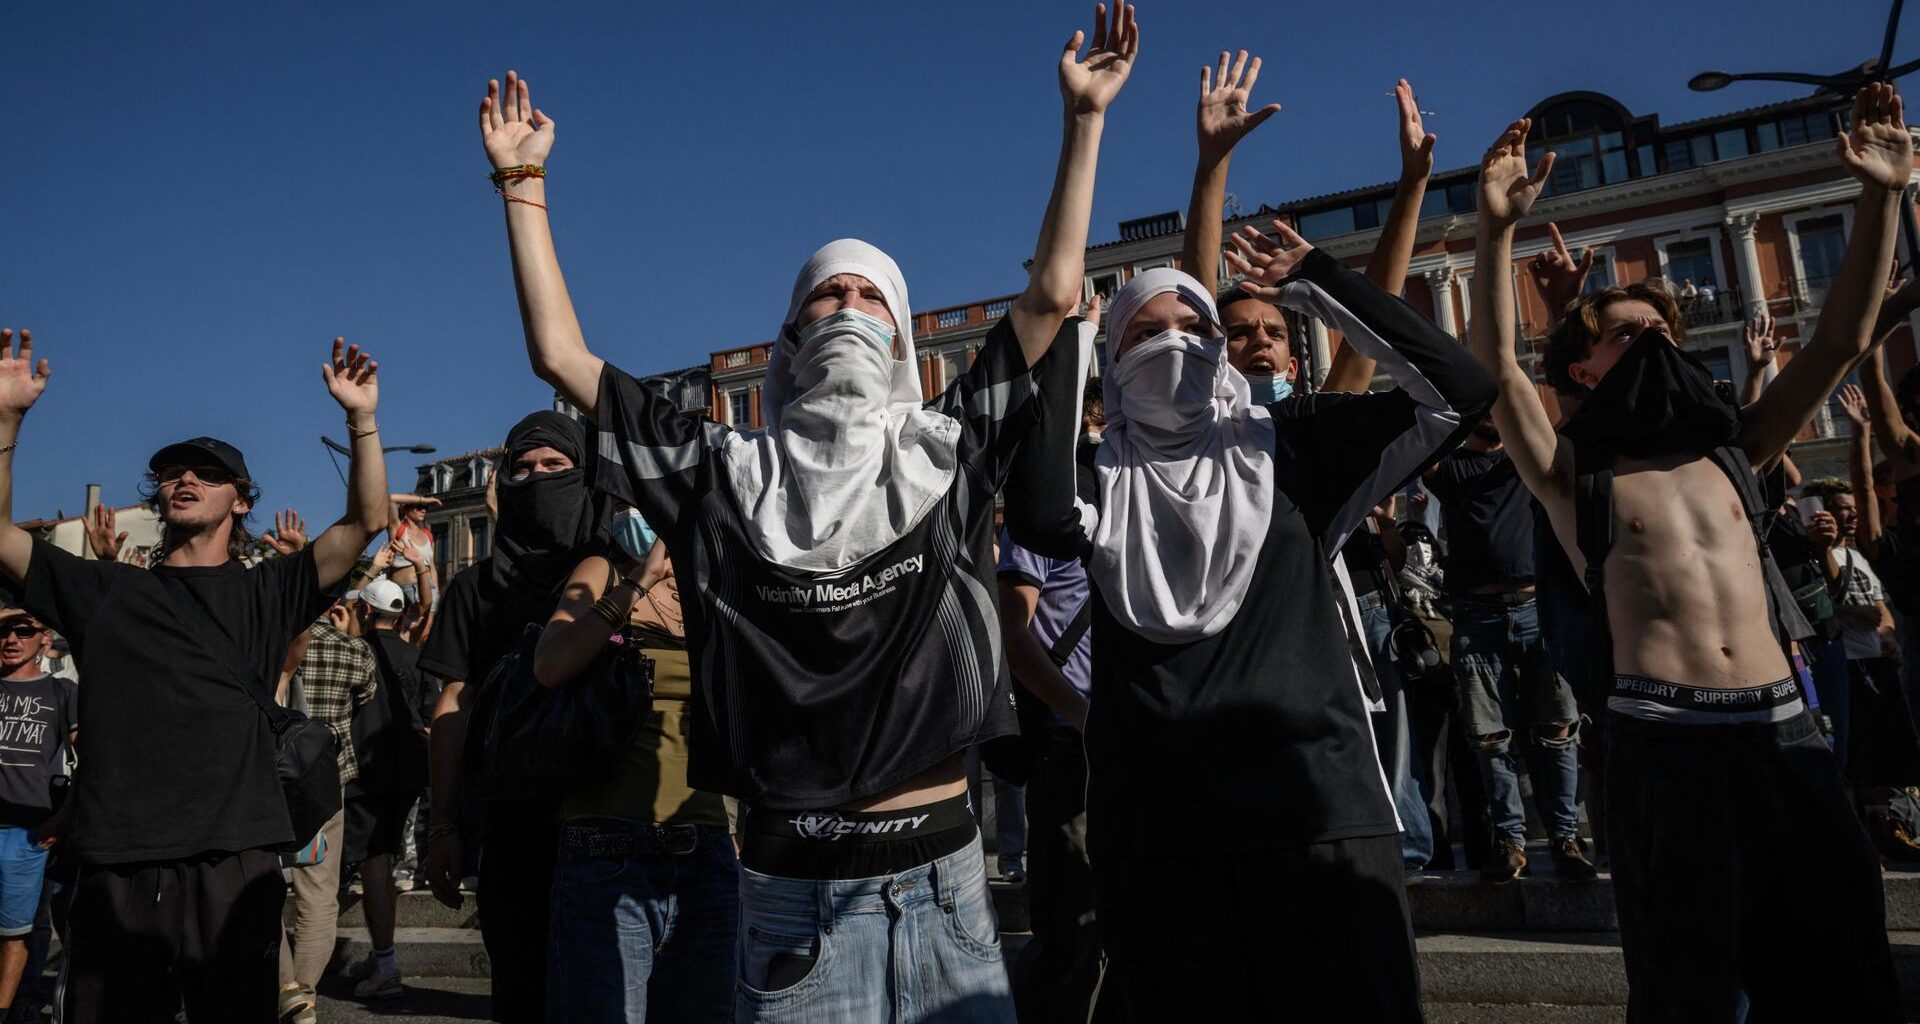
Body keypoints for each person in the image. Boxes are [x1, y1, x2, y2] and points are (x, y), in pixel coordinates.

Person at [480, 5, 1131, 1018]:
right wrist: (524, 185)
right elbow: (562, 358)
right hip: (795, 899)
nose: (849, 311)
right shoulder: (720, 473)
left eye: (873, 299)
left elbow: (1050, 298)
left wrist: (1084, 121)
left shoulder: (949, 451)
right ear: (788, 340)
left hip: (950, 888)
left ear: (904, 341)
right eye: (827, 298)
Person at [1465, 87, 1908, 1020]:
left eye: (1663, 330)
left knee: (1844, 973)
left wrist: (1882, 193)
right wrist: (1494, 229)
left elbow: (1839, 338)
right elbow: (1498, 369)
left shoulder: (1737, 451)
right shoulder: (1572, 474)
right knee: (1686, 987)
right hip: (1665, 744)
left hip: (1785, 730)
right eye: (1629, 334)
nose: (1656, 343)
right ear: (1582, 370)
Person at [1012, 188, 1490, 1017]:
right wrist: (1070, 342)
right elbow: (1036, 511)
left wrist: (1320, 280)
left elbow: (1460, 390)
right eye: (1145, 333)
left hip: (1318, 819)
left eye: (1194, 327)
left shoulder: (1296, 443)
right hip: (1159, 839)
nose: (1174, 343)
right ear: (1111, 363)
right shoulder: (1095, 478)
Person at [0, 331, 386, 1022]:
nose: (184, 480)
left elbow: (365, 521)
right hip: (119, 858)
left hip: (234, 858)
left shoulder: (269, 591)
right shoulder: (103, 590)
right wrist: (7, 420)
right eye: (173, 472)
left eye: (207, 474)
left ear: (241, 500)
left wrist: (362, 419)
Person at [418, 411, 606, 1023]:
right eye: (522, 469)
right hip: (512, 823)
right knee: (523, 991)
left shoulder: (620, 571)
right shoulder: (475, 588)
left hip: (614, 819)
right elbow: (453, 703)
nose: (538, 478)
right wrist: (442, 824)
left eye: (555, 465)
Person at [532, 527, 737, 1022]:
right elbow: (550, 664)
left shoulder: (713, 582)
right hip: (608, 849)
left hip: (708, 850)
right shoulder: (604, 573)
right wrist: (638, 583)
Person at [1426, 418, 1593, 882]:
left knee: (1559, 728)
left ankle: (1565, 838)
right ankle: (1511, 842)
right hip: (1477, 617)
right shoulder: (1450, 466)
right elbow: (1422, 433)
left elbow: (1567, 425)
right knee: (1489, 737)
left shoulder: (1530, 460)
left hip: (1537, 610)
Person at [994, 381, 1107, 1024]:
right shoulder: (1038, 519)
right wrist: (1081, 713)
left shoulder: (1131, 507)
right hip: (1072, 745)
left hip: (1133, 742)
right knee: (1071, 935)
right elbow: (1015, 636)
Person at [279, 598, 377, 1019]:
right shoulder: (353, 650)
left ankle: (283, 986)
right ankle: (304, 994)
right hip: (324, 782)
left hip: (270, 780)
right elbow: (366, 696)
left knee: (259, 886)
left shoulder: (270, 641)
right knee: (318, 894)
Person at [341, 574, 435, 1000]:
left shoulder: (356, 651)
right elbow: (429, 717)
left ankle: (385, 963)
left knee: (374, 863)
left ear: (365, 609)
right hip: (408, 771)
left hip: (366, 773)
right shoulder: (414, 656)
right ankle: (383, 954)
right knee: (385, 859)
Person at [0, 609, 74, 1022]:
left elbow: (93, 757)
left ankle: (17, 1007)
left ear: (43, 637)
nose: (12, 638)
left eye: (24, 630)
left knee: (20, 931)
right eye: (3, 630)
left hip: (30, 833)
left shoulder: (61, 691)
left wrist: (64, 818)